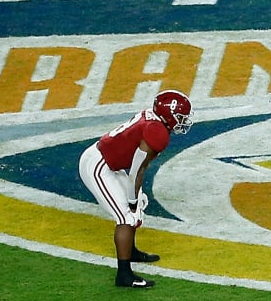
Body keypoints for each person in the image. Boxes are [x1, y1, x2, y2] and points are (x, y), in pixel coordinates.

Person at [77, 89, 191, 289]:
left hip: (110, 163)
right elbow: (137, 171)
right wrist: (132, 200)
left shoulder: (154, 120)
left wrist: (137, 198)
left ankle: (130, 251)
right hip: (98, 165)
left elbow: (135, 167)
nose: (183, 121)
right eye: (180, 117)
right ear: (168, 115)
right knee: (126, 217)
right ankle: (124, 275)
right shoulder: (157, 132)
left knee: (136, 210)